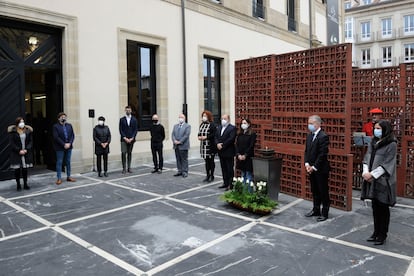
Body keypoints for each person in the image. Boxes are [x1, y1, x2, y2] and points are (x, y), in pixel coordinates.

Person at [361, 120, 397, 245]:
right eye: (375, 128)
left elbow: (388, 163)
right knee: (375, 207)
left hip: (383, 181)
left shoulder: (391, 144)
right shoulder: (373, 141)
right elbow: (367, 157)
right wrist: (365, 172)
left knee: (383, 207)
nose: (376, 130)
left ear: (385, 129)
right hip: (371, 179)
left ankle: (382, 234)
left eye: (378, 128)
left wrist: (372, 174)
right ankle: (376, 232)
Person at [304, 115, 331, 222]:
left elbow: (322, 154)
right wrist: (307, 164)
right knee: (314, 190)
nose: (309, 126)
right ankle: (316, 209)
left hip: (320, 169)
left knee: (323, 191)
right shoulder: (309, 136)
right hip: (310, 168)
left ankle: (325, 212)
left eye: (311, 123)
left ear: (318, 124)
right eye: (309, 123)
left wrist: (314, 167)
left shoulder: (323, 136)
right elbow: (307, 151)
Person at [8, 117, 34, 191]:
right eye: (20, 122)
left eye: (23, 121)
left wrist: (26, 149)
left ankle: (25, 184)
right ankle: (18, 184)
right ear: (17, 123)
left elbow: (30, 142)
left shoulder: (27, 131)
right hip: (17, 153)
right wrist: (19, 150)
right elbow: (12, 143)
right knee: (17, 170)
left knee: (25, 170)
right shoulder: (13, 132)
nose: (22, 123)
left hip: (25, 153)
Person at [53, 112, 76, 185]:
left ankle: (68, 176)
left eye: (64, 116)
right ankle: (59, 178)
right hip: (60, 147)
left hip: (69, 146)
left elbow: (72, 135)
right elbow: (56, 137)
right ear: (59, 118)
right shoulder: (55, 126)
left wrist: (70, 143)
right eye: (62, 117)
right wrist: (64, 144)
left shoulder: (69, 125)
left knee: (68, 162)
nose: (63, 118)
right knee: (59, 162)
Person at [215, 114, 236, 190]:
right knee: (223, 168)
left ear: (228, 119)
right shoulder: (219, 127)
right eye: (222, 118)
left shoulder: (232, 128)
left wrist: (222, 145)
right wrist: (217, 143)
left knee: (229, 169)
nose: (223, 120)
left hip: (228, 151)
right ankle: (225, 182)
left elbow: (231, 139)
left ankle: (231, 184)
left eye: (225, 118)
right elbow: (216, 137)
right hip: (221, 152)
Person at [235, 118, 257, 186]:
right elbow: (236, 145)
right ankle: (243, 192)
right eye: (242, 123)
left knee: (248, 176)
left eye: (245, 123)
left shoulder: (252, 134)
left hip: (248, 157)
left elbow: (251, 146)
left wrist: (245, 155)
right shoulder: (239, 134)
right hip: (240, 157)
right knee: (243, 175)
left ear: (249, 124)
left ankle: (248, 193)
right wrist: (238, 154)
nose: (243, 125)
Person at [197, 110, 217, 182]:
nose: (204, 117)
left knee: (211, 161)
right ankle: (207, 175)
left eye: (205, 116)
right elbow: (199, 133)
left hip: (210, 146)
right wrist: (199, 137)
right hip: (203, 146)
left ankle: (212, 175)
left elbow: (214, 134)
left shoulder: (212, 125)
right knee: (206, 162)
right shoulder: (202, 124)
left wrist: (206, 137)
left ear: (209, 116)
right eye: (203, 116)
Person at [119, 106, 138, 174]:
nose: (128, 111)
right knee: (123, 153)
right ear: (125, 111)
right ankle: (124, 168)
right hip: (124, 139)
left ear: (131, 111)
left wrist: (132, 137)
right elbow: (120, 130)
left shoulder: (134, 119)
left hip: (131, 139)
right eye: (126, 110)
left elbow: (135, 130)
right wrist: (124, 137)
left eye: (129, 110)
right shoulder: (122, 119)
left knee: (129, 153)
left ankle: (129, 167)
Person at [172, 113, 191, 177]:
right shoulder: (175, 126)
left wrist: (180, 141)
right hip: (176, 146)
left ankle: (185, 171)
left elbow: (186, 135)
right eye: (179, 117)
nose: (180, 119)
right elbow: (173, 134)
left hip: (183, 146)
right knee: (178, 159)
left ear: (184, 118)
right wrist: (174, 141)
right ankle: (179, 170)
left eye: (182, 117)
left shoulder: (187, 126)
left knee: (184, 159)